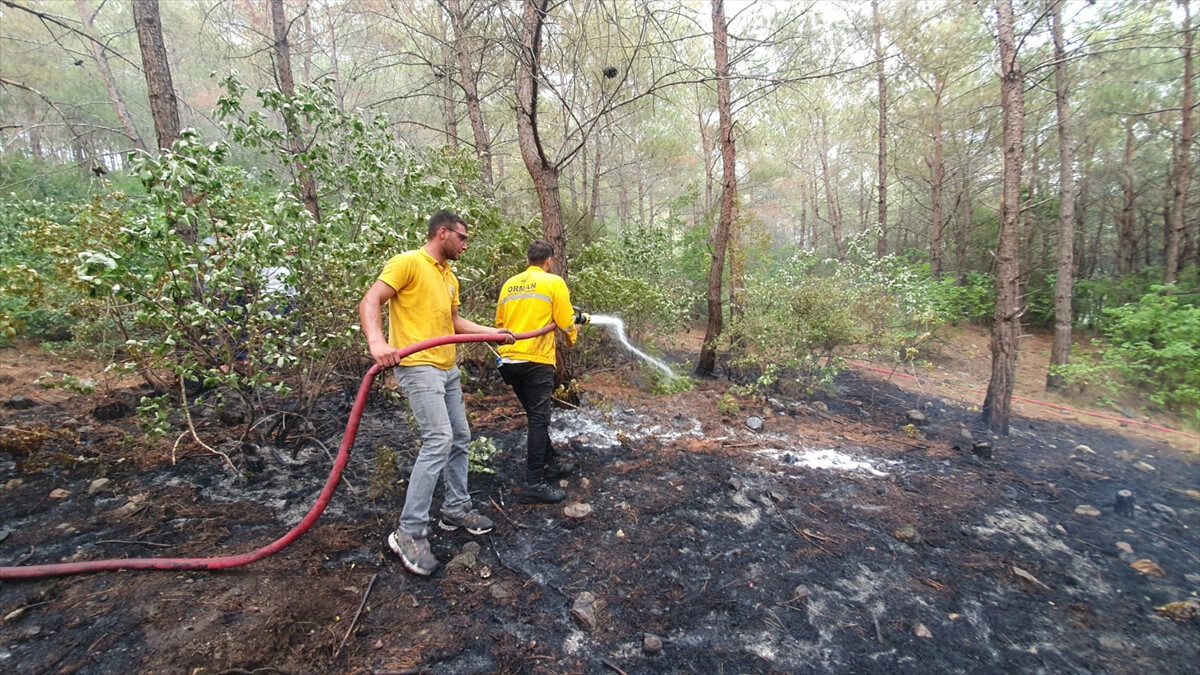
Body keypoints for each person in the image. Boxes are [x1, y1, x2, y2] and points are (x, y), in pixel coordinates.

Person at [358, 210, 515, 576]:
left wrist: (491, 333)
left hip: (447, 368)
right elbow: (371, 300)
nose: (465, 244)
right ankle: (409, 532)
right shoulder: (408, 263)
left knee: (460, 436)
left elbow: (454, 322)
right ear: (442, 233)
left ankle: (455, 509)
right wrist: (377, 342)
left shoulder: (449, 276)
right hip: (417, 366)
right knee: (439, 439)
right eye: (461, 237)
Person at [494, 239, 583, 504]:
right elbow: (566, 322)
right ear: (548, 261)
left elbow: (500, 324)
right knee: (539, 419)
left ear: (527, 260)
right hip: (536, 361)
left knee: (535, 415)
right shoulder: (553, 282)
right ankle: (534, 482)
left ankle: (552, 463)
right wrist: (573, 337)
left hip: (509, 361)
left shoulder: (510, 284)